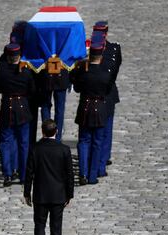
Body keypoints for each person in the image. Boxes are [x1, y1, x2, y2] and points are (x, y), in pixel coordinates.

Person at [24, 119, 74, 235]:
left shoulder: (35, 149)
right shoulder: (64, 150)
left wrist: (27, 192)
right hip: (58, 195)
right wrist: (69, 194)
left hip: (40, 195)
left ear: (42, 131)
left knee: (39, 225)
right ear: (56, 131)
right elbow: (69, 175)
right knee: (56, 229)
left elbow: (29, 173)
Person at [0, 43, 35, 186]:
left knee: (5, 141)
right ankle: (24, 175)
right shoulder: (25, 71)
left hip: (7, 107)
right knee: (23, 143)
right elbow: (31, 89)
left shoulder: (2, 71)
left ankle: (8, 173)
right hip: (22, 107)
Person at [72, 43, 113, 185]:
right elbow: (108, 90)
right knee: (97, 142)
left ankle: (82, 173)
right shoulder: (106, 73)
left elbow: (76, 88)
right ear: (101, 57)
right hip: (100, 107)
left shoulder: (83, 72)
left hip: (85, 107)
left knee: (84, 141)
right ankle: (92, 175)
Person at [92, 21, 122, 175]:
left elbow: (114, 70)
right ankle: (100, 161)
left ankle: (102, 159)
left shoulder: (114, 49)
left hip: (106, 92)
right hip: (101, 93)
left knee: (106, 129)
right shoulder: (111, 49)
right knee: (104, 129)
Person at [39, 67, 70, 142]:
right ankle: (57, 138)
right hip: (61, 75)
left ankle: (47, 135)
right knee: (59, 109)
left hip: (46, 75)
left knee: (46, 107)